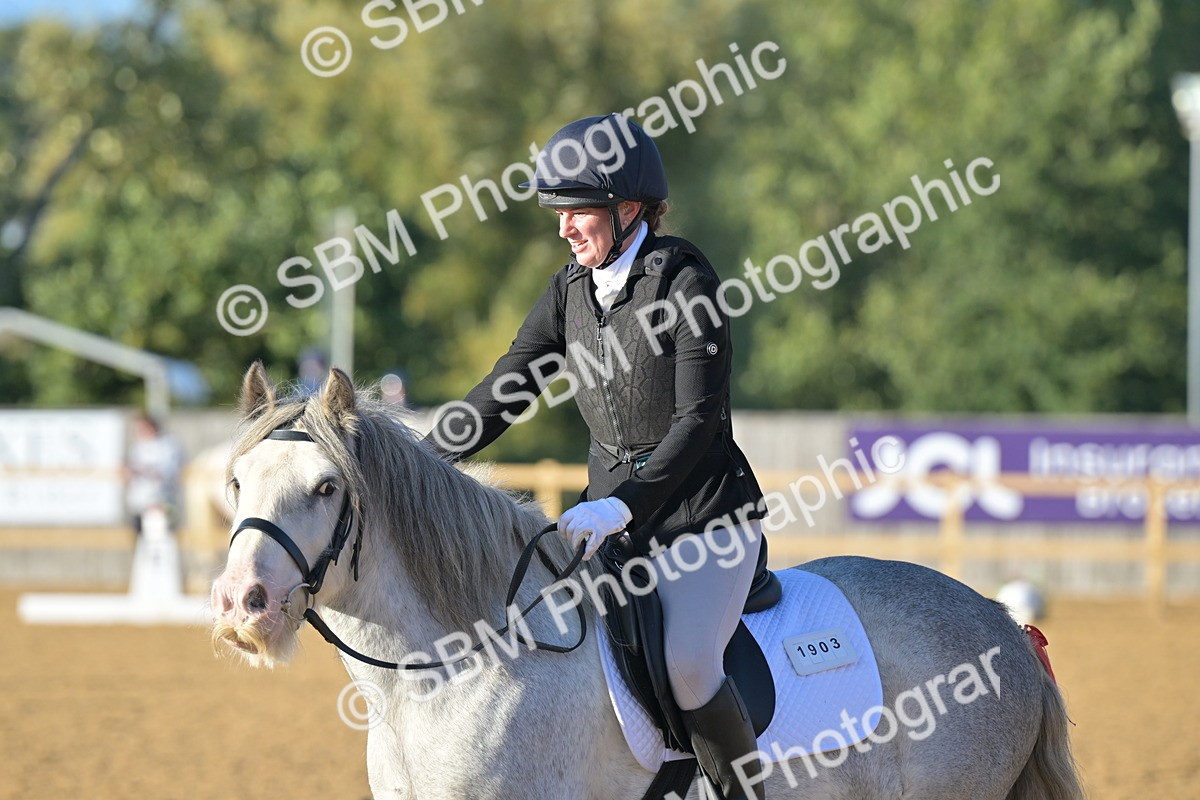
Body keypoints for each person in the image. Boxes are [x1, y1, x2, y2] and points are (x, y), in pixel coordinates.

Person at [425, 114, 767, 799]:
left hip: (703, 525)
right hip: (608, 524)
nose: (563, 230)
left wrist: (622, 504)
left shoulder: (685, 284)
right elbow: (507, 386)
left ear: (628, 209)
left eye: (576, 213)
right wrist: (424, 462)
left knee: (691, 663)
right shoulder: (569, 292)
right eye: (558, 214)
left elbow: (698, 422)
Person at [125, 412, 184, 536]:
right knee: (140, 539)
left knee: (162, 541)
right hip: (139, 502)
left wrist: (144, 470)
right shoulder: (137, 447)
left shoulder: (168, 445)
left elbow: (168, 472)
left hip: (162, 502)